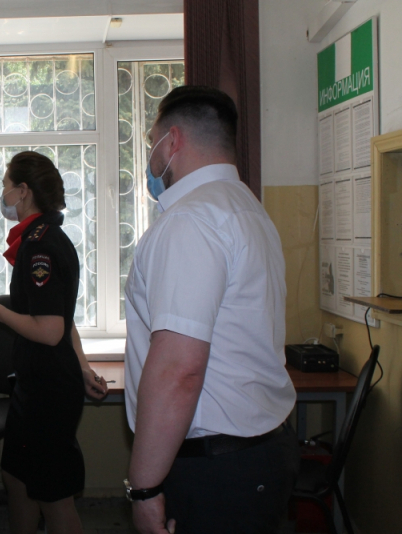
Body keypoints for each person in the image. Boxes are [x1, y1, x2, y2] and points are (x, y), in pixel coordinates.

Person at [123, 86, 300, 534]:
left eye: (151, 141)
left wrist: (143, 489)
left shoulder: (191, 220)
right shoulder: (247, 209)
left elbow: (179, 370)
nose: (150, 155)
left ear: (172, 141)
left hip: (215, 470)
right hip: (259, 454)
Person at [0, 151, 108, 534]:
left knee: (53, 497)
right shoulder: (38, 237)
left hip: (48, 390)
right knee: (16, 478)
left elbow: (50, 329)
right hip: (34, 384)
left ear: (23, 191)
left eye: (6, 186)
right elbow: (64, 321)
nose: (3, 195)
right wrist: (84, 366)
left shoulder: (40, 247)